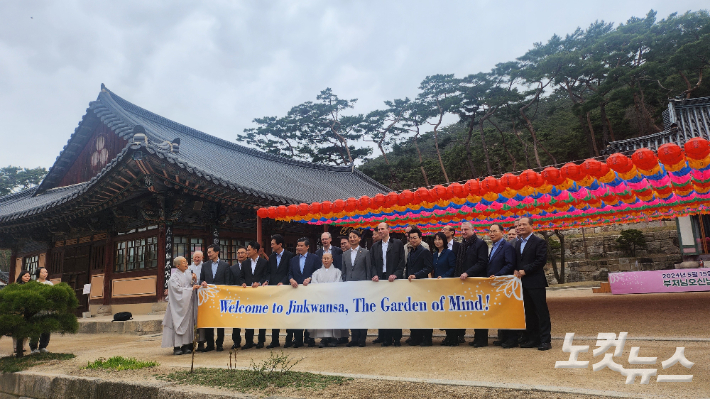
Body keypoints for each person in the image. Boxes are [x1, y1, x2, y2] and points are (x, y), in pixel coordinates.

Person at [514, 217, 552, 351]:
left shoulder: (539, 242)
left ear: (531, 226)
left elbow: (541, 260)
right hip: (522, 283)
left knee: (541, 311)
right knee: (528, 312)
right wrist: (515, 269)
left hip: (535, 282)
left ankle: (545, 340)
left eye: (524, 224)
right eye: (519, 225)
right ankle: (533, 338)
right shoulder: (518, 243)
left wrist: (526, 270)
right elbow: (517, 260)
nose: (520, 227)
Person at [370, 222, 405, 347]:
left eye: (382, 229)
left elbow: (402, 262)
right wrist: (374, 275)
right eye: (378, 229)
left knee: (394, 309)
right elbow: (372, 264)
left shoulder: (397, 244)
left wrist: (396, 274)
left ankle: (396, 338)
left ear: (388, 230)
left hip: (393, 280)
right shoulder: (375, 247)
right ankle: (385, 338)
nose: (380, 231)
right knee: (383, 309)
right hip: (381, 280)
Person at [458, 221, 489, 347]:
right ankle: (477, 337)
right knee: (473, 311)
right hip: (466, 282)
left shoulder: (481, 244)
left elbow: (482, 262)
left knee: (480, 311)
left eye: (466, 229)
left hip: (477, 281)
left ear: (473, 230)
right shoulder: (463, 244)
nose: (464, 232)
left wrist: (468, 273)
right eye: (462, 230)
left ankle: (482, 339)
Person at [485, 224, 516, 348]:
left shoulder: (507, 246)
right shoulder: (493, 247)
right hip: (495, 284)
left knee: (507, 311)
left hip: (504, 283)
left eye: (494, 231)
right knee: (500, 311)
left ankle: (511, 339)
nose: (492, 234)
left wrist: (497, 275)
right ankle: (503, 337)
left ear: (502, 233)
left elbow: (509, 264)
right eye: (490, 231)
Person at [162, 256, 200, 355]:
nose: (186, 263)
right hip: (177, 306)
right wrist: (191, 289)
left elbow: (191, 284)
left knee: (188, 324)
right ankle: (176, 346)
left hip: (187, 304)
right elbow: (177, 291)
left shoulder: (188, 273)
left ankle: (186, 345)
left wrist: (194, 280)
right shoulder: (173, 278)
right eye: (183, 262)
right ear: (178, 266)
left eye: (186, 261)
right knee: (177, 323)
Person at [287, 237, 321, 348]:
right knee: (297, 315)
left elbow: (318, 272)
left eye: (301, 246)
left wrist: (310, 278)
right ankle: (298, 340)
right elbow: (289, 273)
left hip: (309, 290)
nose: (299, 247)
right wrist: (291, 279)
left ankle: (310, 339)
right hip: (296, 291)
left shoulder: (314, 258)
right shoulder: (293, 259)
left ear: (307, 247)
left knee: (309, 315)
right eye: (298, 245)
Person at [263, 234, 294, 348]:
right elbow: (269, 272)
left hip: (285, 288)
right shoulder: (271, 257)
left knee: (287, 314)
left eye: (273, 243)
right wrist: (266, 280)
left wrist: (283, 282)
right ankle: (274, 340)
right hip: (273, 289)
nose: (271, 245)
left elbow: (290, 271)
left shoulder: (290, 255)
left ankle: (289, 339)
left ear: (279, 244)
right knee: (274, 315)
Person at [308, 253, 345, 347]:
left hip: (333, 299)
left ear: (332, 260)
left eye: (328, 258)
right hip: (321, 299)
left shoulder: (337, 272)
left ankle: (334, 338)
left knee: (333, 318)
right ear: (321, 260)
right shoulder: (317, 272)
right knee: (322, 319)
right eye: (324, 258)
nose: (326, 260)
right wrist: (322, 291)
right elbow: (314, 284)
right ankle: (323, 339)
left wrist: (329, 290)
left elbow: (338, 283)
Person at [342, 230, 371, 347]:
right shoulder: (345, 254)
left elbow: (368, 269)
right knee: (352, 312)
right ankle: (354, 338)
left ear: (359, 239)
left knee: (362, 312)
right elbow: (344, 271)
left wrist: (368, 283)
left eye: (354, 237)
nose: (352, 239)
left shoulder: (365, 252)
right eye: (350, 237)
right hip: (349, 286)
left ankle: (362, 338)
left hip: (362, 285)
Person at [199, 244, 230, 352]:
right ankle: (210, 344)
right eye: (208, 252)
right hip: (208, 298)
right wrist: (202, 282)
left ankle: (220, 343)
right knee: (209, 321)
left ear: (217, 252)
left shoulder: (225, 265)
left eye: (210, 252)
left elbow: (227, 283)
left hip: (220, 298)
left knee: (220, 322)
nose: (209, 254)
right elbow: (201, 279)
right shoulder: (205, 265)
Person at [406, 227, 434, 346]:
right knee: (413, 311)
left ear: (420, 238)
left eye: (415, 238)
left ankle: (427, 338)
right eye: (411, 238)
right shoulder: (411, 251)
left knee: (424, 312)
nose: (412, 240)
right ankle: (415, 337)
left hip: (422, 284)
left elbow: (428, 267)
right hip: (412, 286)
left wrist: (416, 275)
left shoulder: (425, 251)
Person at [240, 241, 269, 349]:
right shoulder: (245, 263)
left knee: (261, 317)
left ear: (255, 250)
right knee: (249, 317)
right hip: (248, 294)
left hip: (260, 293)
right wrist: (242, 283)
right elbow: (241, 276)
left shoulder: (264, 262)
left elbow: (266, 275)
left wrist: (260, 283)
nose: (247, 251)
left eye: (248, 249)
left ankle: (261, 341)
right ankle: (249, 341)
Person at [432, 232, 458, 346]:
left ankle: (453, 337)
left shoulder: (449, 253)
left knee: (449, 312)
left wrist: (444, 276)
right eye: (435, 239)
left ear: (444, 241)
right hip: (438, 287)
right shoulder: (434, 254)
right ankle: (448, 336)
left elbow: (453, 267)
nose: (437, 241)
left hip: (447, 285)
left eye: (439, 239)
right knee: (442, 311)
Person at [29, 267, 53, 354]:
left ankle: (43, 346)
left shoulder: (49, 284)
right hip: (36, 310)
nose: (45, 274)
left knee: (46, 328)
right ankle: (33, 348)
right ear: (38, 273)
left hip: (46, 309)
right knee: (35, 329)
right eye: (43, 272)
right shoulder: (34, 284)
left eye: (46, 272)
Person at [227, 247, 247, 349]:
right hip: (236, 297)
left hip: (248, 296)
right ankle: (236, 341)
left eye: (242, 253)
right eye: (238, 253)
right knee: (236, 320)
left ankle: (249, 340)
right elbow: (230, 282)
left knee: (248, 318)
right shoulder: (232, 268)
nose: (240, 255)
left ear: (247, 254)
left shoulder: (249, 266)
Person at [187, 251, 206, 350]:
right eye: (195, 257)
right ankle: (191, 342)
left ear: (202, 257)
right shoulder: (189, 268)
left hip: (203, 296)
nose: (196, 259)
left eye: (198, 257)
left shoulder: (205, 267)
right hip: (192, 296)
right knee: (192, 319)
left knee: (201, 318)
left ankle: (201, 342)